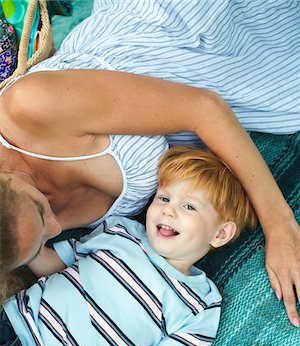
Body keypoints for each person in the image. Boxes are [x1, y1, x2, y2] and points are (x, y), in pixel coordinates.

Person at [0, 0, 299, 325]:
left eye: (41, 210)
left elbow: (205, 109)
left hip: (179, 35)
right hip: (209, 113)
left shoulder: (29, 107)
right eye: (41, 239)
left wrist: (279, 225)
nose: (56, 228)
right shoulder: (13, 234)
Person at [1, 146, 276, 346]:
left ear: (220, 234)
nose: (169, 210)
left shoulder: (201, 305)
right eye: (164, 197)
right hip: (15, 339)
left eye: (189, 207)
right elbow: (51, 265)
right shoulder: (121, 232)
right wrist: (25, 238)